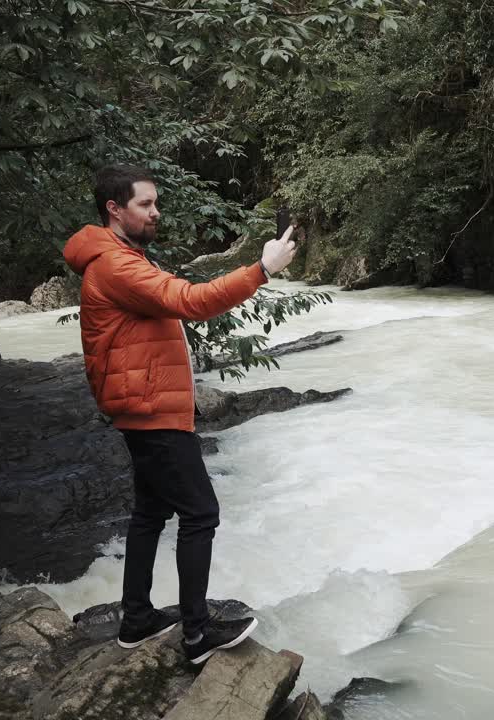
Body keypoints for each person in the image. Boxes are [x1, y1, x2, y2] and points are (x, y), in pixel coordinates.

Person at [62, 164, 297, 664]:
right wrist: (262, 269)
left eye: (155, 203)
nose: (155, 212)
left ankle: (137, 619)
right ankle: (196, 636)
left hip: (144, 406)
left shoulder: (120, 257)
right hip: (151, 412)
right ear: (114, 209)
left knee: (151, 511)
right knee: (200, 513)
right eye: (145, 204)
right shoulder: (116, 265)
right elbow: (190, 302)